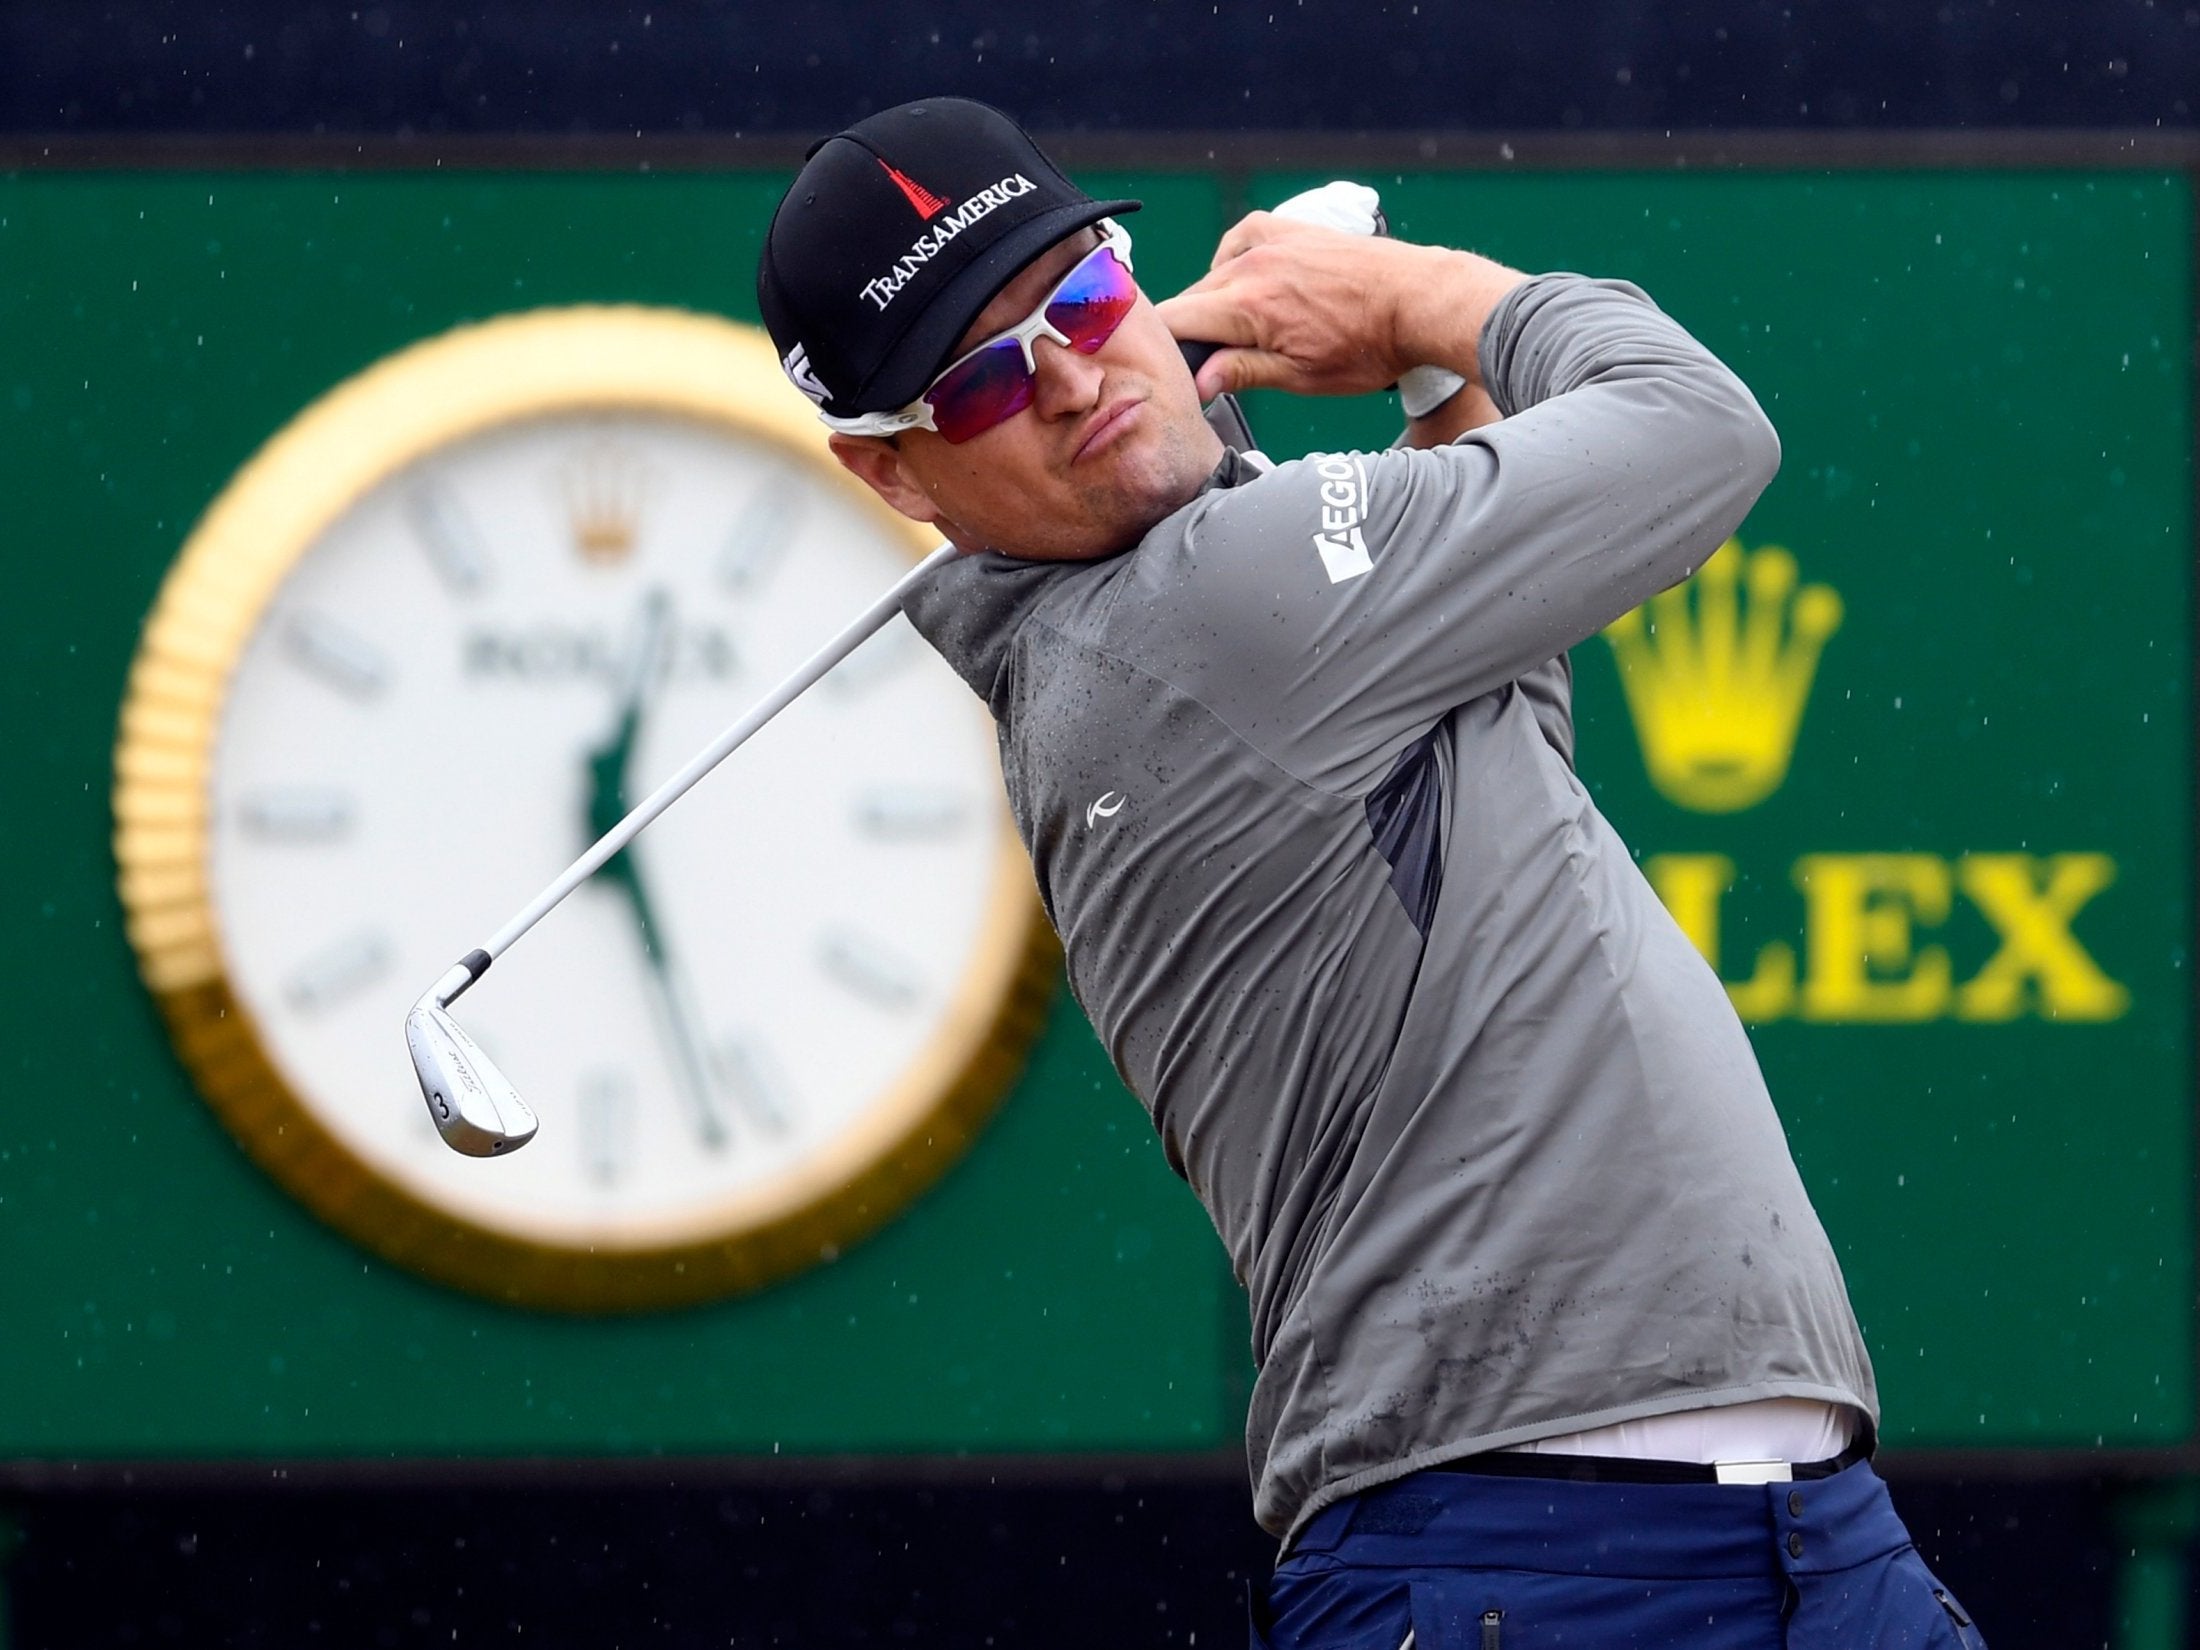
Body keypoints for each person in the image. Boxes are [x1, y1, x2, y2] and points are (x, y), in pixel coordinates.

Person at [758, 97, 1986, 1649]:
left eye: (1080, 296)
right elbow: (1698, 424)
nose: (1073, 380)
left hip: (1774, 1536)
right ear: (896, 477)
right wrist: (1419, 301)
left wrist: (1425, 381)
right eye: (986, 378)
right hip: (1533, 1560)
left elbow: (1505, 690)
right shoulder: (1202, 612)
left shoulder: (1207, 608)